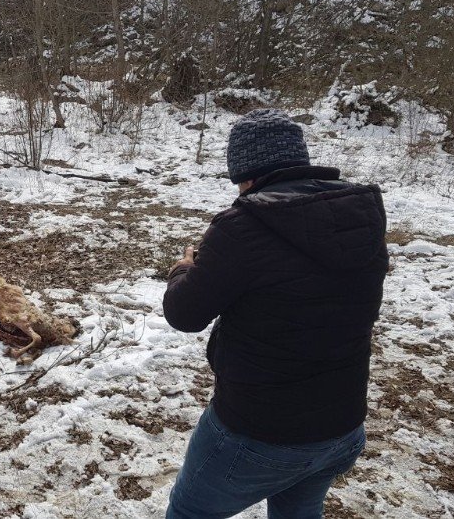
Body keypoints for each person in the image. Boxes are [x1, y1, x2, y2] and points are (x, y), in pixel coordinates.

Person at [162, 109, 388, 518]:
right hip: (342, 428)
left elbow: (184, 314)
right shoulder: (361, 218)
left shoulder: (242, 229)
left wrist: (184, 268)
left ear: (245, 176)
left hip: (258, 434)